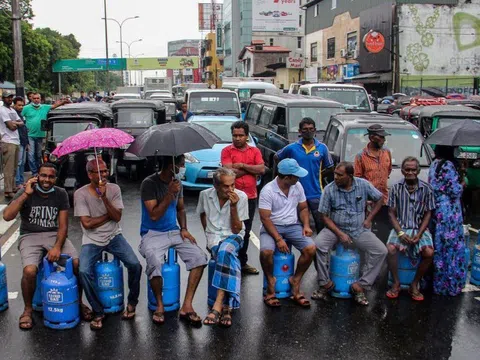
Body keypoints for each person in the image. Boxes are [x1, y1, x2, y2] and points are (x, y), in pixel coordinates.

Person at [2, 163, 92, 330]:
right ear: (37, 176)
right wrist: (25, 195)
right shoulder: (26, 191)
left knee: (76, 264)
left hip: (54, 234)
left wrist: (57, 247)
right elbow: (7, 216)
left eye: (51, 177)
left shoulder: (60, 193)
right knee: (30, 271)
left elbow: (63, 226)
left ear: (55, 179)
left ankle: (78, 302)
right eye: (43, 176)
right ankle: (27, 310)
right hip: (30, 235)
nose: (47, 180)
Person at [139, 155, 208, 326]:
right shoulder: (149, 184)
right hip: (152, 232)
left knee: (200, 257)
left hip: (174, 231)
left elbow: (181, 208)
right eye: (182, 165)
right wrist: (169, 193)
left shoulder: (178, 183)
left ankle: (187, 305)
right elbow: (154, 215)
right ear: (171, 166)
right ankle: (160, 306)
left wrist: (184, 229)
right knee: (154, 261)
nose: (183, 168)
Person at [75, 160, 142, 330]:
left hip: (114, 236)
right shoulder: (80, 194)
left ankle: (132, 303)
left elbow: (117, 217)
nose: (104, 175)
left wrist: (104, 197)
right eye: (99, 172)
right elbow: (87, 224)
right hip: (92, 239)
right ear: (90, 174)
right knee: (83, 271)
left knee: (135, 265)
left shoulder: (114, 189)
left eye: (105, 171)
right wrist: (109, 215)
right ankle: (98, 311)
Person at [313, 162, 387, 306]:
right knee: (318, 245)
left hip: (358, 229)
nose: (335, 177)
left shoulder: (363, 185)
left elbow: (380, 199)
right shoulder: (329, 189)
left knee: (381, 251)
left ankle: (362, 285)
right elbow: (324, 216)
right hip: (335, 228)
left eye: (340, 175)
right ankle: (324, 283)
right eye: (335, 173)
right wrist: (340, 234)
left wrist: (369, 219)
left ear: (350, 176)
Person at [259, 158, 316, 308]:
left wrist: (306, 225)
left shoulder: (297, 186)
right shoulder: (268, 191)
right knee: (266, 252)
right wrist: (278, 239)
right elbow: (265, 218)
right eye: (296, 175)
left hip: (292, 225)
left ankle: (295, 280)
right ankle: (270, 282)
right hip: (272, 226)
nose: (298, 178)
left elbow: (303, 208)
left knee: (310, 248)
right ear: (286, 177)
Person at [197, 167, 249, 327]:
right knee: (226, 255)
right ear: (216, 186)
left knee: (225, 251)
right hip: (214, 237)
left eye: (233, 185)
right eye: (226, 186)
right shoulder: (205, 195)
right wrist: (208, 237)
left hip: (234, 236)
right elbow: (202, 215)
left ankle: (219, 304)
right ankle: (229, 305)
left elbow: (236, 229)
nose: (231, 189)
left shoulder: (241, 197)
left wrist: (233, 207)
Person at [386, 157, 435, 301]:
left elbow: (428, 213)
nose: (410, 172)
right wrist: (400, 232)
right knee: (390, 249)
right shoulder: (395, 188)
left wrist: (419, 234)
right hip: (400, 227)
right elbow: (391, 213)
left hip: (419, 229)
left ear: (418, 171)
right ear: (402, 171)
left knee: (429, 252)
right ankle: (396, 282)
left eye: (413, 169)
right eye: (407, 169)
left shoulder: (427, 189)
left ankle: (414, 284)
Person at [275, 117, 334, 234]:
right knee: (296, 226)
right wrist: (284, 174)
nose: (308, 131)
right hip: (295, 193)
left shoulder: (322, 148)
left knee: (321, 226)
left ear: (315, 130)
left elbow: (330, 167)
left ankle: (320, 251)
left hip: (316, 192)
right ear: (300, 131)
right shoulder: (292, 148)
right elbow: (277, 157)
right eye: (305, 129)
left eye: (311, 129)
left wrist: (318, 175)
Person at [221, 121, 265, 275]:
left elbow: (262, 169)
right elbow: (229, 174)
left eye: (240, 135)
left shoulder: (255, 151)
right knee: (229, 228)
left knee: (245, 230)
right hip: (231, 196)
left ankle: (242, 262)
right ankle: (227, 260)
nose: (237, 138)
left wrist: (242, 166)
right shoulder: (226, 151)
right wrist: (250, 170)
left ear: (247, 136)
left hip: (250, 197)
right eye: (235, 135)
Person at [428, 145, 467, 296]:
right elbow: (454, 190)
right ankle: (448, 284)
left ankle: (436, 281)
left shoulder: (434, 163)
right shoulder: (448, 165)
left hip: (437, 208)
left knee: (439, 245)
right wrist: (463, 183)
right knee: (450, 247)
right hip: (449, 210)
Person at [354, 124, 392, 243]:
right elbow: (357, 179)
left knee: (384, 231)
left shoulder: (386, 152)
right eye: (381, 137)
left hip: (384, 199)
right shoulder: (361, 156)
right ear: (372, 138)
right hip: (369, 202)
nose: (383, 140)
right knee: (367, 232)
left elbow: (388, 170)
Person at [22, 93, 67, 176]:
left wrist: (63, 102)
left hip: (41, 135)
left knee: (39, 155)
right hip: (30, 135)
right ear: (31, 99)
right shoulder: (26, 108)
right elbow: (19, 115)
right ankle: (34, 172)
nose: (36, 100)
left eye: (37, 98)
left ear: (40, 99)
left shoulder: (44, 107)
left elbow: (54, 106)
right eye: (34, 98)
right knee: (31, 155)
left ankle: (39, 170)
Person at [0, 91, 24, 198]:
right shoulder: (2, 110)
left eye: (10, 97)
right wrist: (15, 123)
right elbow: (11, 126)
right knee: (8, 168)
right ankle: (8, 190)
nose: (9, 99)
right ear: (3, 98)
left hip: (16, 140)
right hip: (7, 141)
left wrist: (16, 123)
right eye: (7, 98)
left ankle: (13, 187)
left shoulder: (12, 110)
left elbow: (22, 122)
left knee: (15, 166)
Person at [13, 97, 29, 189]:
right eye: (19, 105)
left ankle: (21, 181)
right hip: (17, 141)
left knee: (22, 163)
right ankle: (18, 181)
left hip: (23, 141)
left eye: (22, 105)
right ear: (14, 105)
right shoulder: (14, 114)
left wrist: (27, 142)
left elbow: (24, 129)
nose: (21, 107)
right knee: (19, 163)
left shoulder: (21, 115)